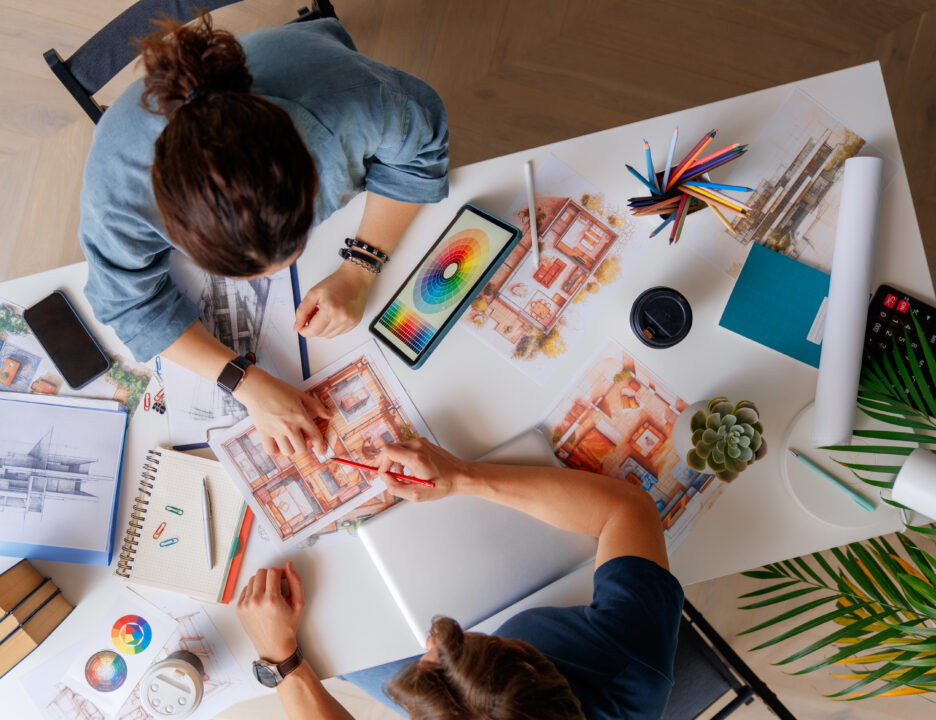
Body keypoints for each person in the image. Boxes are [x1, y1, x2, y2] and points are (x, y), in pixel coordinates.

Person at [78, 13, 448, 456]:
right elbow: (126, 304)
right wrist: (243, 381)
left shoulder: (352, 98)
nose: (275, 275)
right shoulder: (115, 194)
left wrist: (359, 269)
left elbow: (422, 150)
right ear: (170, 224)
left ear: (310, 168)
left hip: (312, 66)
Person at [236, 439, 684, 719]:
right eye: (464, 646)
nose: (429, 642)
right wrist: (464, 477)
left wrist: (281, 660)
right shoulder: (631, 668)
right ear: (535, 666)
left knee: (331, 640)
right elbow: (628, 509)